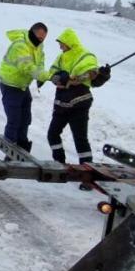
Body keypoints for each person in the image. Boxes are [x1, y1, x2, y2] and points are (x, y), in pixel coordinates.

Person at [46, 28, 110, 168]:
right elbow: (51, 73)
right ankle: (59, 163)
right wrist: (60, 76)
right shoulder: (61, 57)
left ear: (70, 43)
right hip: (61, 104)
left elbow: (93, 78)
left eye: (62, 43)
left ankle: (87, 172)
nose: (60, 46)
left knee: (80, 139)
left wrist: (102, 75)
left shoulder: (86, 56)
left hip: (79, 105)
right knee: (52, 134)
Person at [0, 22, 50, 152]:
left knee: (25, 119)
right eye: (39, 37)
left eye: (43, 38)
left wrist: (41, 75)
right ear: (32, 32)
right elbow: (26, 66)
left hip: (23, 86)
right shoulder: (20, 45)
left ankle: (22, 148)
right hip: (11, 86)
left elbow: (40, 63)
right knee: (14, 120)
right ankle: (9, 153)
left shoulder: (38, 47)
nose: (41, 40)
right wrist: (46, 76)